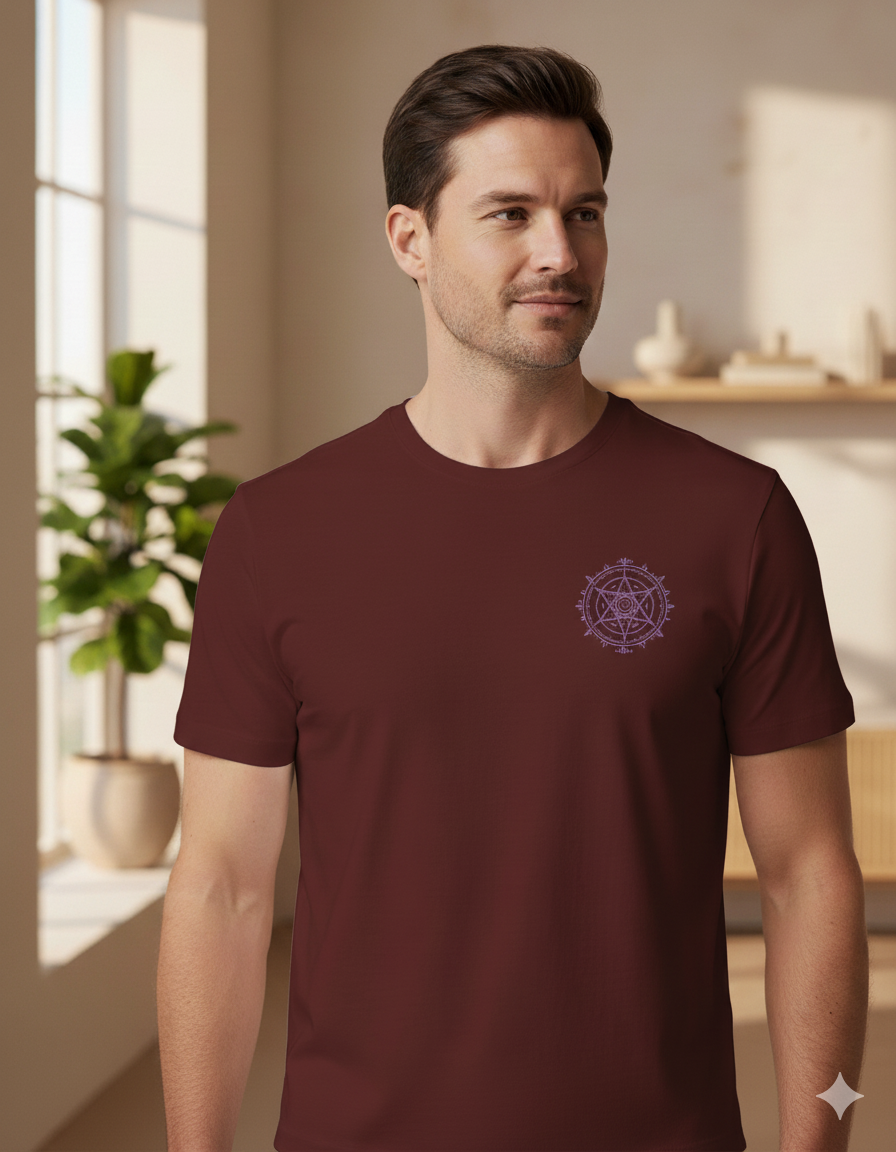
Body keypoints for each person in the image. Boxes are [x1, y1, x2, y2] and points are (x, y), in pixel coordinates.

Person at [157, 44, 869, 1152]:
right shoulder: (275, 533)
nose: (559, 254)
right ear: (410, 239)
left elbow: (809, 875)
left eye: (584, 213)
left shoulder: (734, 518)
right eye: (510, 215)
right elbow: (221, 889)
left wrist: (824, 1137)